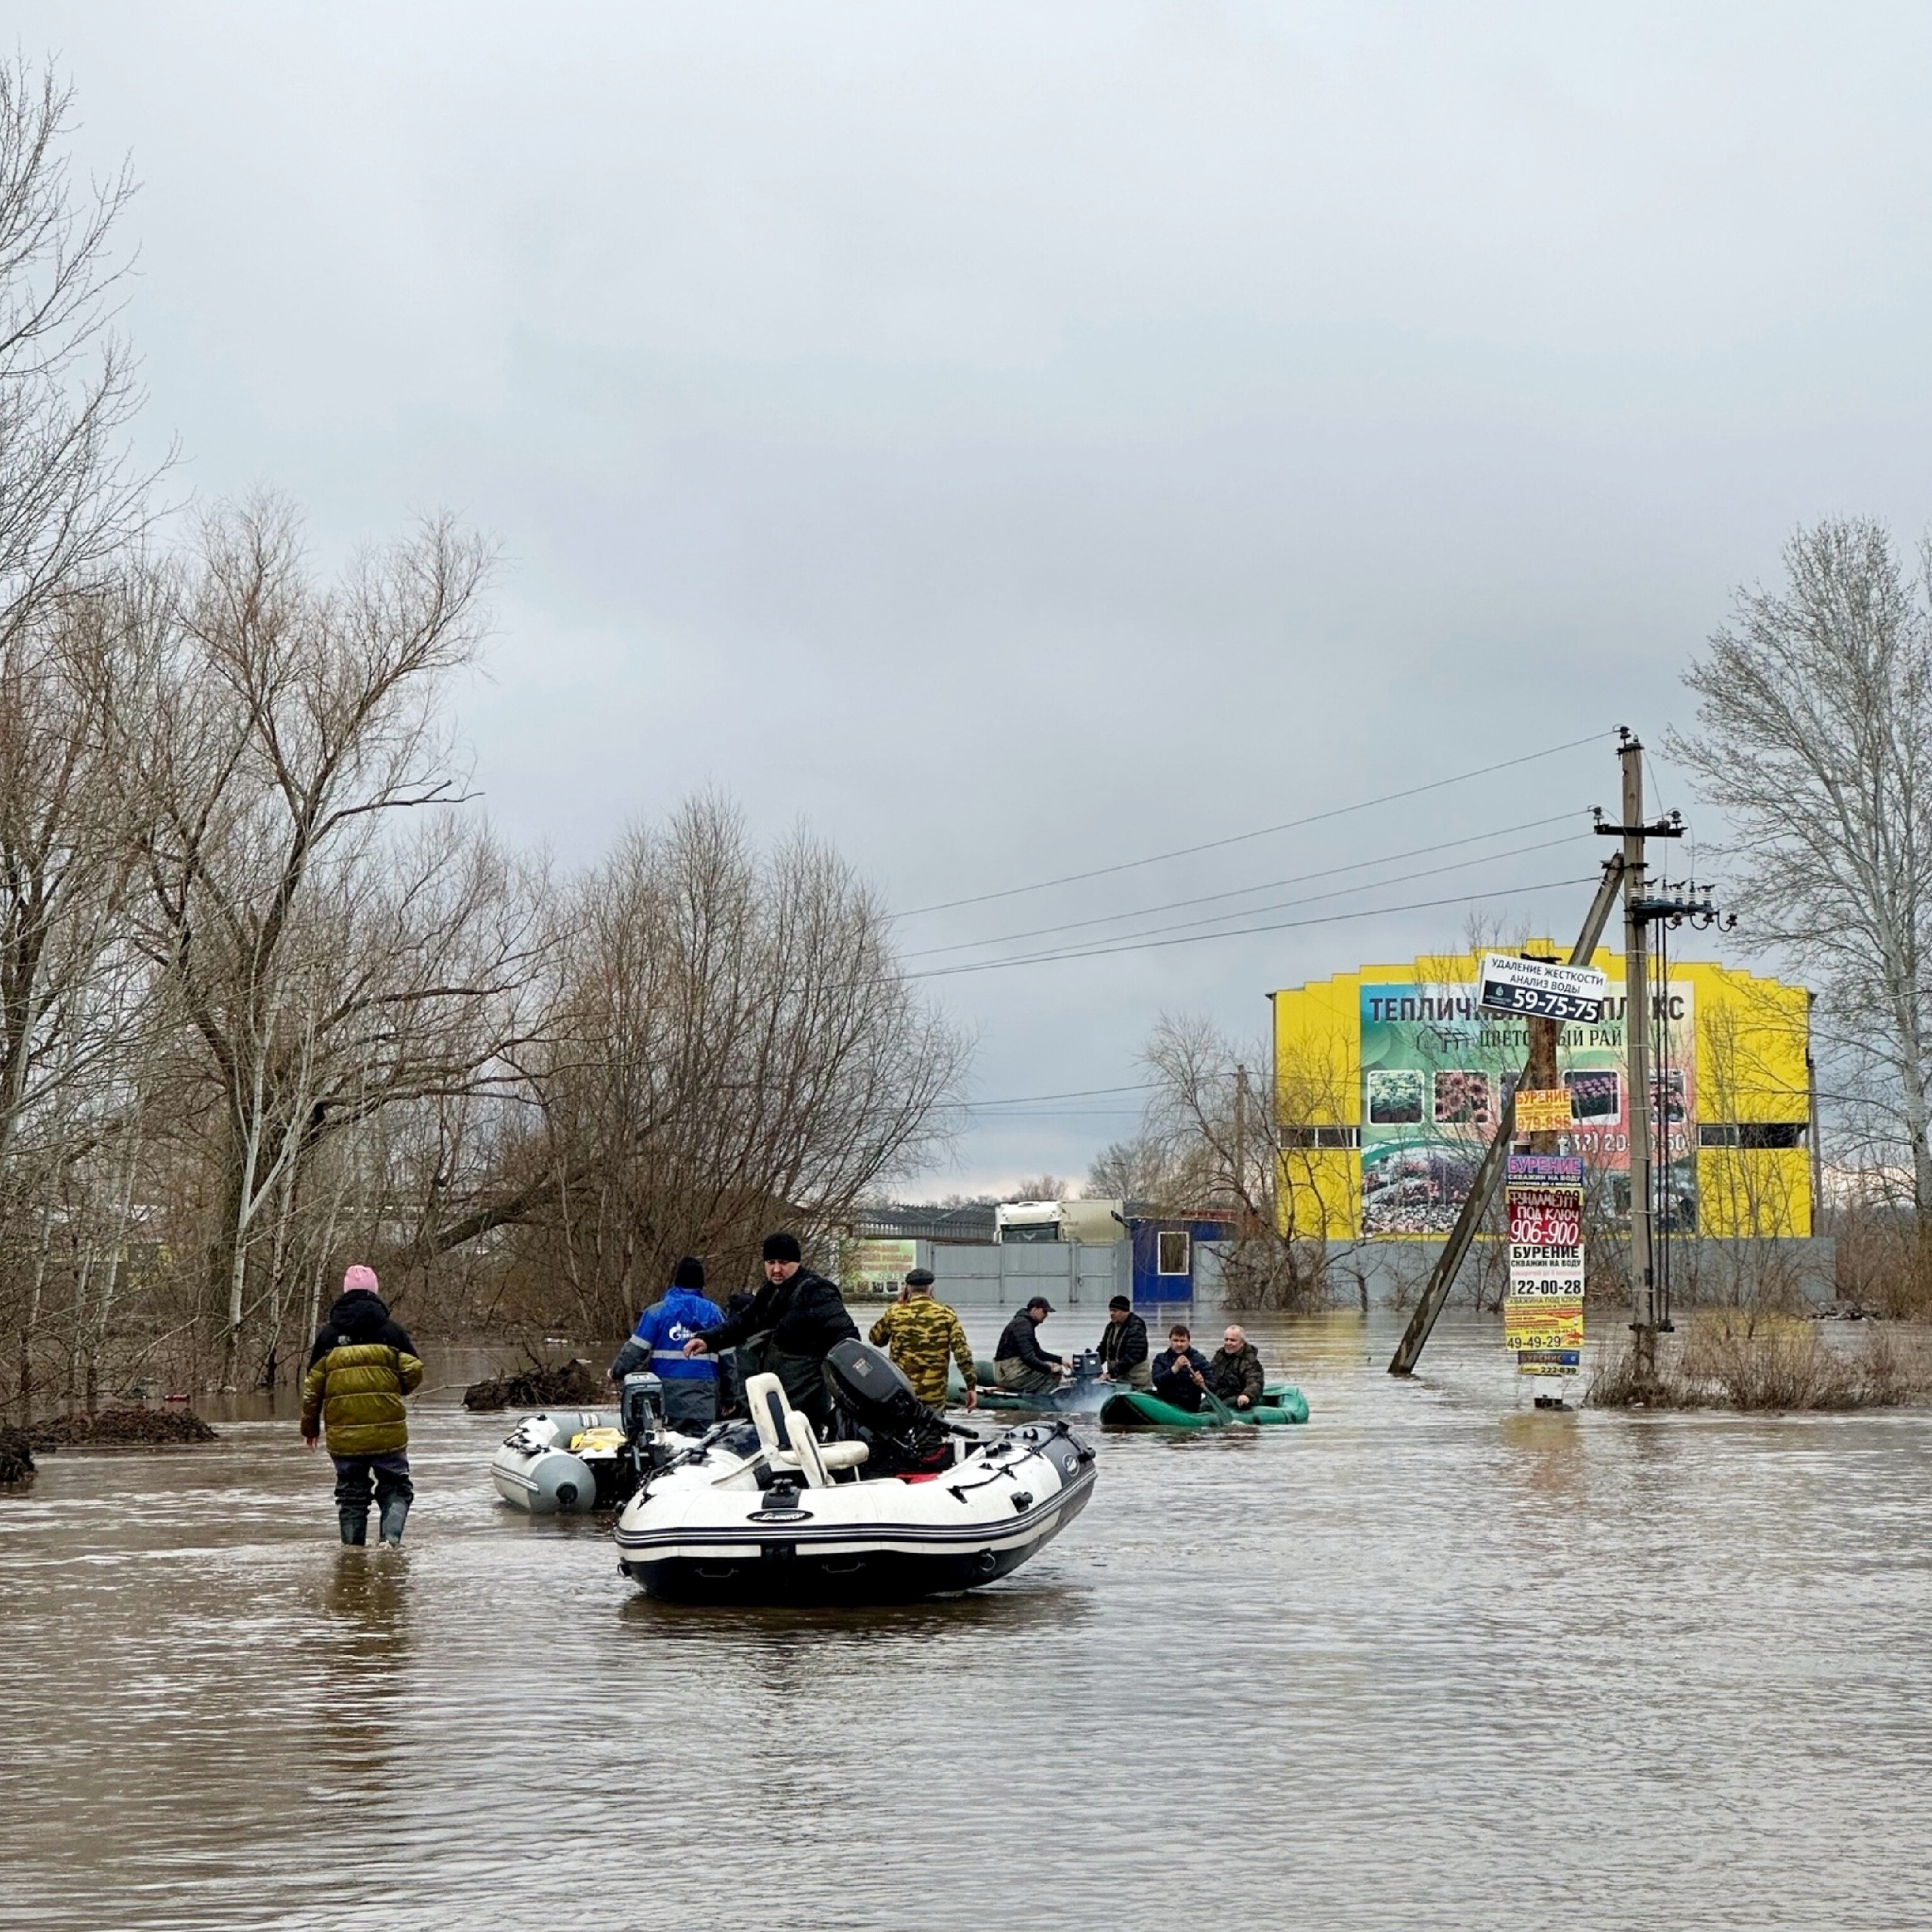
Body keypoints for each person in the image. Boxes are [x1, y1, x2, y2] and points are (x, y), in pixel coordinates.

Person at [684, 1233, 857, 1437]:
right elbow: (744, 1323)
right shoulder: (771, 1291)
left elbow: (847, 1338)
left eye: (783, 1263)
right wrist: (707, 1340)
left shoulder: (817, 1292)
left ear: (797, 1262)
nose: (776, 1269)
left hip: (805, 1403)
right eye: (771, 1262)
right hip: (777, 1397)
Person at [301, 1263, 423, 1547]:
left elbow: (312, 1388)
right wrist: (397, 1390)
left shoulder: (329, 1336)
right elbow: (414, 1369)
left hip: (344, 1434)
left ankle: (352, 1554)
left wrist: (310, 1428)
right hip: (387, 1431)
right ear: (375, 1292)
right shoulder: (392, 1333)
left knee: (351, 1494)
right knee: (396, 1485)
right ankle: (390, 1542)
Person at [608, 1257, 724, 1432]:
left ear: (676, 1283)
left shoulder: (656, 1313)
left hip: (666, 1401)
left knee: (667, 1449)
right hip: (704, 1402)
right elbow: (729, 1361)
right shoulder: (716, 1314)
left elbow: (634, 1352)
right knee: (700, 1452)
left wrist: (616, 1372)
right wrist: (730, 1398)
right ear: (701, 1285)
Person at [869, 1267, 977, 1412]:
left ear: (907, 1288)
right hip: (934, 1393)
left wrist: (899, 1305)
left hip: (902, 1390)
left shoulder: (895, 1312)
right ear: (930, 1288)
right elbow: (962, 1353)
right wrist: (971, 1386)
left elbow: (876, 1339)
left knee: (900, 1433)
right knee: (931, 1432)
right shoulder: (946, 1314)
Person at [993, 1296, 1069, 1395]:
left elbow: (1038, 1352)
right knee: (1053, 1374)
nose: (1046, 1316)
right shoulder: (1023, 1326)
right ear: (1035, 1309)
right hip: (1008, 1373)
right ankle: (1042, 1402)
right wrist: (1049, 1369)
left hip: (1008, 1369)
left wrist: (1061, 1360)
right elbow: (1028, 1357)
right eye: (1045, 1312)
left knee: (1054, 1366)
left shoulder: (1024, 1323)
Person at [1149, 1323, 1212, 1414]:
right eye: (1175, 1340)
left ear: (1188, 1342)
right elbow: (1157, 1381)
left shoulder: (1199, 1360)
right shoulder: (1161, 1359)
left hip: (1190, 1407)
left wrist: (1202, 1383)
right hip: (1166, 1405)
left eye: (1182, 1341)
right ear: (1170, 1341)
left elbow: (1213, 1385)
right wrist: (1174, 1369)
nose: (1179, 1344)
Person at [1095, 1295, 1150, 1389]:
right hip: (1119, 1381)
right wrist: (1092, 1363)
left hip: (1137, 1382)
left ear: (1125, 1312)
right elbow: (1103, 1349)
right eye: (1110, 1310)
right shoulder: (1111, 1327)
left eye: (1115, 1311)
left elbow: (1132, 1356)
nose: (1111, 1313)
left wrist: (1111, 1373)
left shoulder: (1136, 1327)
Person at [1208, 1323, 1265, 1410]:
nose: (1228, 1343)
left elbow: (1255, 1381)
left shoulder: (1249, 1360)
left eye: (1233, 1340)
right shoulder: (1219, 1356)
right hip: (1220, 1395)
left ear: (1242, 1343)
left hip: (1240, 1396)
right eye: (1226, 1340)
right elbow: (1210, 1374)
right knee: (1204, 1405)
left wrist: (1246, 1395)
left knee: (1225, 1404)